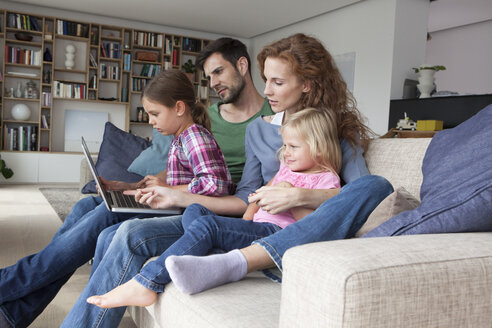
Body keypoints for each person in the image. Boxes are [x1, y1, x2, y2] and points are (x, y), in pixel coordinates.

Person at [62, 33, 392, 327]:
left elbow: (362, 198)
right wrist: (181, 198)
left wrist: (299, 197)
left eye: (277, 82)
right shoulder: (259, 129)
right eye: (266, 80)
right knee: (123, 231)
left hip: (288, 227)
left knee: (132, 234)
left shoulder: (330, 134)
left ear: (306, 83)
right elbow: (244, 197)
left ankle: (222, 259)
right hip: (244, 218)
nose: (266, 91)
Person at [0, 37, 272, 328]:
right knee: (87, 207)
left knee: (107, 217)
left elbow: (217, 182)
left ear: (242, 65)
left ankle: (11, 283)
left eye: (218, 72)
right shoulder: (206, 118)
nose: (213, 83)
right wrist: (141, 184)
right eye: (208, 76)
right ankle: (13, 310)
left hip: (204, 205)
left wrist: (169, 190)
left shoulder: (269, 122)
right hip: (180, 193)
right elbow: (188, 167)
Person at [86, 107, 343, 306]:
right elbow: (255, 199)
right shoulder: (287, 168)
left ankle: (148, 280)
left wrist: (293, 196)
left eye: (294, 146)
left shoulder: (326, 180)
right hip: (254, 228)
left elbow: (313, 225)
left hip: (275, 235)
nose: (286, 152)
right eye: (285, 145)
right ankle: (207, 248)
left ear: (319, 148)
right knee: (197, 211)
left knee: (208, 225)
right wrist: (243, 224)